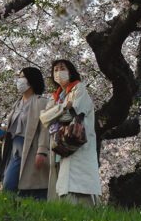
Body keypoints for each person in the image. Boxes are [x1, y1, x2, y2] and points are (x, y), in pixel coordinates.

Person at [39, 59, 101, 206]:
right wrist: (63, 107)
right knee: (60, 178)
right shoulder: (55, 97)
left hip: (75, 141)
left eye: (62, 68)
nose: (58, 72)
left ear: (70, 71)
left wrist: (56, 114)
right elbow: (44, 117)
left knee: (75, 180)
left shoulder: (79, 89)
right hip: (59, 142)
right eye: (55, 70)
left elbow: (72, 115)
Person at [0, 66, 50, 200]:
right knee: (9, 183)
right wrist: (0, 132)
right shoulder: (16, 104)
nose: (19, 80)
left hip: (31, 148)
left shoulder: (42, 102)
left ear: (31, 80)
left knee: (29, 185)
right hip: (13, 148)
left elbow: (45, 128)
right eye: (19, 77)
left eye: (22, 77)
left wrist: (42, 150)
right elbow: (13, 127)